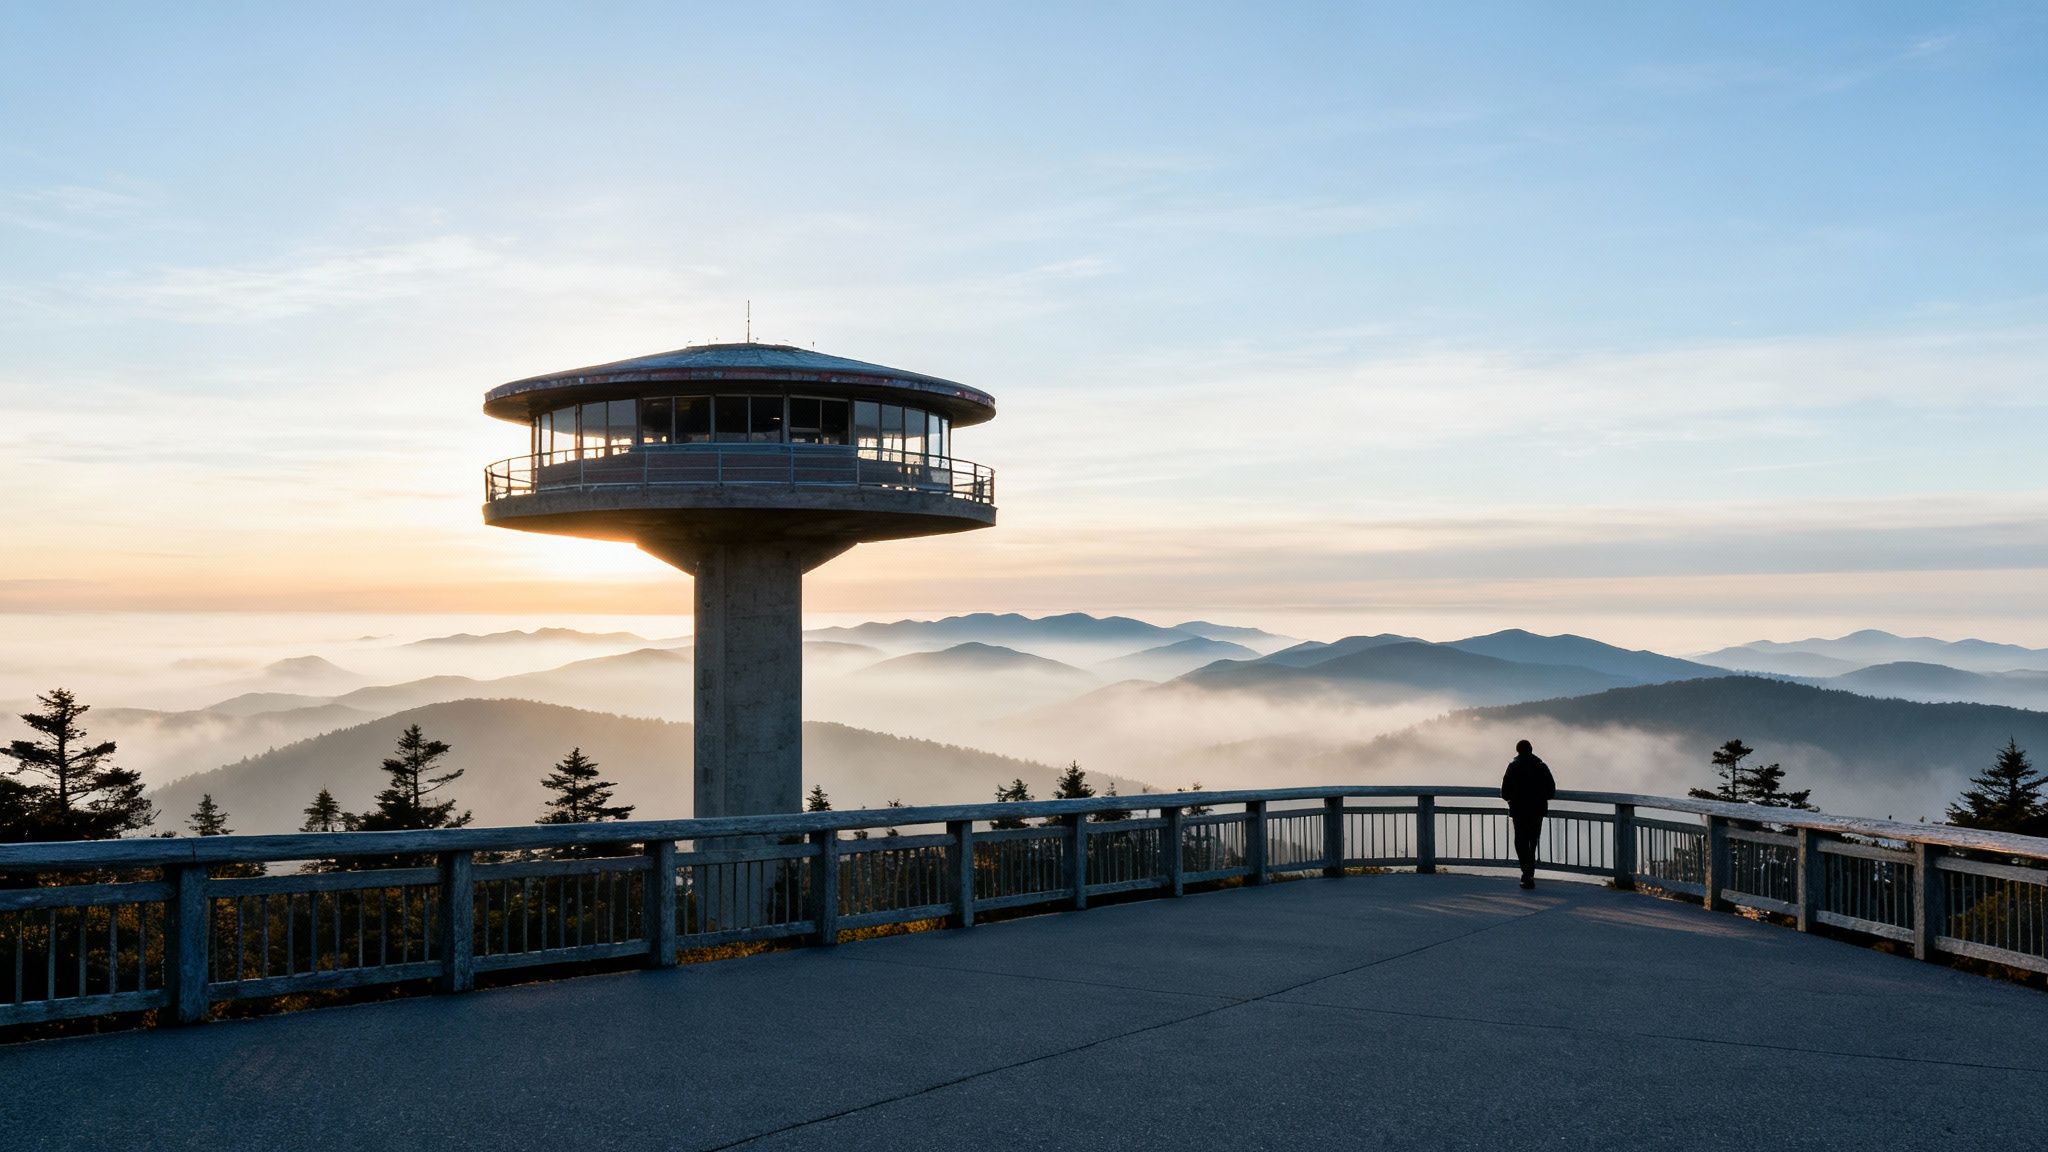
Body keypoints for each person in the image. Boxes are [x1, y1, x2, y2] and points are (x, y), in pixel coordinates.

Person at [1500, 739, 1556, 889]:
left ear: (1517, 751)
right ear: (1531, 750)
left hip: (1518, 811)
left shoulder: (1513, 767)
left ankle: (1526, 873)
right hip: (1537, 810)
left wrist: (1515, 798)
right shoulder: (1541, 766)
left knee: (1521, 841)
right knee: (1532, 841)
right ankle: (1529, 872)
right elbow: (1551, 791)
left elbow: (1504, 793)